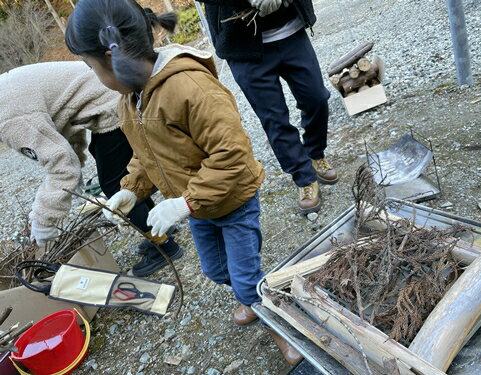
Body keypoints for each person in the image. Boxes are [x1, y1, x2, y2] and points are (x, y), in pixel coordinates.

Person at [64, 0, 302, 365]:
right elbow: (147, 155)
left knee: (245, 278)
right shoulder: (130, 100)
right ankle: (252, 294)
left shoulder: (190, 87)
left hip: (232, 199)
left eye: (90, 66)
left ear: (111, 59)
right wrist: (131, 189)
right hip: (197, 207)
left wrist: (184, 203)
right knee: (215, 270)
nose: (93, 75)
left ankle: (284, 326)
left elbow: (232, 157)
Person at [0, 61, 183, 277]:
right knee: (119, 173)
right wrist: (73, 156)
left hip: (113, 101)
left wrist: (43, 220)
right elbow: (66, 116)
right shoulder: (6, 96)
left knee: (114, 185)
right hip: (109, 95)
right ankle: (158, 225)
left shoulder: (9, 119)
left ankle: (164, 247)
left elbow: (63, 167)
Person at [196, 0, 338, 215]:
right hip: (242, 46)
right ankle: (304, 178)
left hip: (291, 31)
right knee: (275, 119)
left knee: (316, 98)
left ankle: (315, 153)